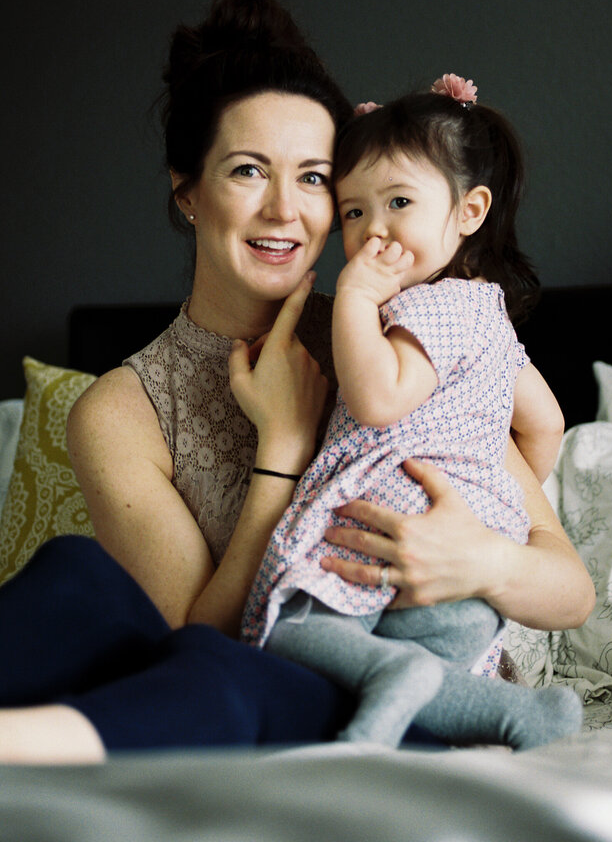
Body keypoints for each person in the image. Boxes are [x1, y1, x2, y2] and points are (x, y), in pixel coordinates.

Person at [0, 0, 594, 765]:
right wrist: (280, 450)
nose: (286, 209)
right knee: (77, 572)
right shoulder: (122, 406)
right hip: (228, 669)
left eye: (315, 178)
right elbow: (179, 633)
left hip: (395, 695)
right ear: (188, 191)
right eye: (247, 171)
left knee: (237, 670)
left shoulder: (405, 343)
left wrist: (477, 561)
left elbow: (565, 582)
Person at [241, 77, 582, 749]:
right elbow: (546, 425)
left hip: (394, 525)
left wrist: (355, 300)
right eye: (353, 213)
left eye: (400, 202)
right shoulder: (491, 318)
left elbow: (376, 399)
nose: (375, 232)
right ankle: (520, 715)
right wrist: (495, 498)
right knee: (436, 685)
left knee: (294, 630)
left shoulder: (421, 308)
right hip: (469, 564)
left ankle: (394, 676)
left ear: (469, 210)